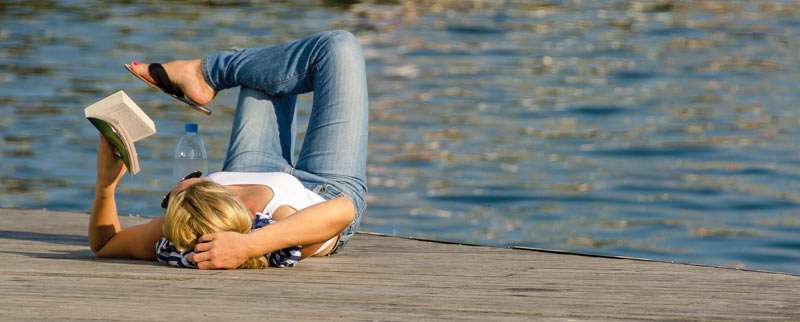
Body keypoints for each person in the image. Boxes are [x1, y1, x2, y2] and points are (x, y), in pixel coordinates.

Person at [88, 30, 368, 269]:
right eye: (171, 197)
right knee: (339, 46)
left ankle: (202, 76)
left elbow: (105, 244)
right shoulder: (273, 228)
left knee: (265, 70)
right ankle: (207, 73)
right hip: (325, 188)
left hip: (249, 168)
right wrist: (248, 245)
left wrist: (106, 186)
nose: (172, 192)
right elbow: (342, 211)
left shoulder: (180, 228)